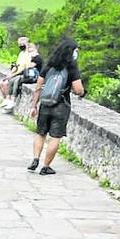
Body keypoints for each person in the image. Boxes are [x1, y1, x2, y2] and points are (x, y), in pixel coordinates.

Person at [29, 37, 85, 176]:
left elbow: (38, 87)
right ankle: (46, 166)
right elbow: (78, 89)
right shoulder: (72, 67)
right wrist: (82, 92)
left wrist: (34, 106)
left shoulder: (49, 64)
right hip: (61, 105)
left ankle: (35, 159)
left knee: (41, 133)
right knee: (55, 137)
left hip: (45, 105)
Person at [0, 37, 39, 112]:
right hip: (17, 72)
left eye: (23, 44)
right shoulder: (21, 54)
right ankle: (7, 100)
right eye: (20, 44)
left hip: (24, 74)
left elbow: (24, 68)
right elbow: (17, 65)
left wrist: (13, 75)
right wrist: (11, 73)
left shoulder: (30, 55)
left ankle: (11, 101)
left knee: (11, 81)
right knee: (2, 83)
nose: (21, 45)